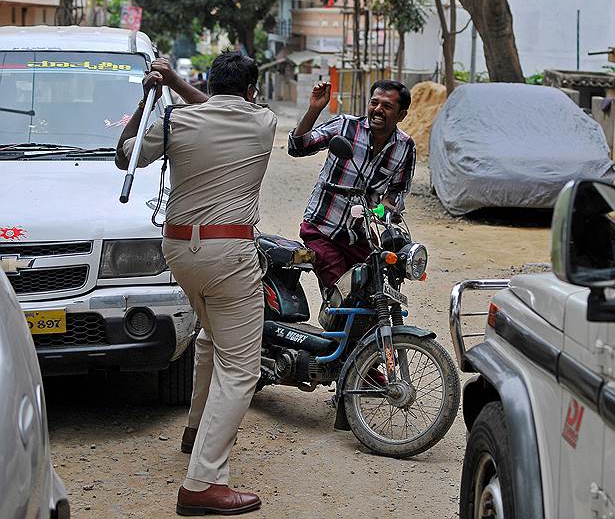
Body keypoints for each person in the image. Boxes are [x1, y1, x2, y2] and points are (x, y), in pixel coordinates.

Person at [116, 52, 277, 516]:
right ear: (251, 91)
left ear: (210, 81)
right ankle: (203, 482)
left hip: (178, 250)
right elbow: (218, 106)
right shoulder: (261, 122)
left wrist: (150, 94)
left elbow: (123, 156)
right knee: (242, 368)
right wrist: (177, 81)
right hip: (228, 256)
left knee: (211, 338)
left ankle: (194, 430)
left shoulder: (176, 121)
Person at [288, 79, 416, 292]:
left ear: (401, 115)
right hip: (322, 228)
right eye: (374, 103)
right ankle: (333, 322)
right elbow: (297, 147)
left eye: (387, 106)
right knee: (341, 293)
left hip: (360, 234)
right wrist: (314, 109)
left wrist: (385, 208)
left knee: (375, 289)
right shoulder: (345, 126)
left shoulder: (405, 147)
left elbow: (398, 190)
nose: (378, 109)